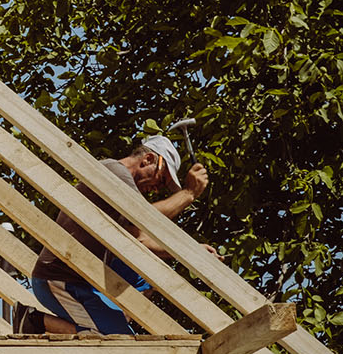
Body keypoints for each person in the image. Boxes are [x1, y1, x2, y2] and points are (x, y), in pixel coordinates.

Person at [24, 134, 211, 334]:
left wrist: (192, 251)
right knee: (118, 338)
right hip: (59, 279)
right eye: (162, 179)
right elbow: (144, 218)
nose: (157, 189)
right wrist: (189, 193)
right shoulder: (114, 171)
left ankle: (115, 317)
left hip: (82, 279)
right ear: (148, 159)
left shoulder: (123, 199)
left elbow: (140, 239)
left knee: (145, 269)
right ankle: (35, 321)